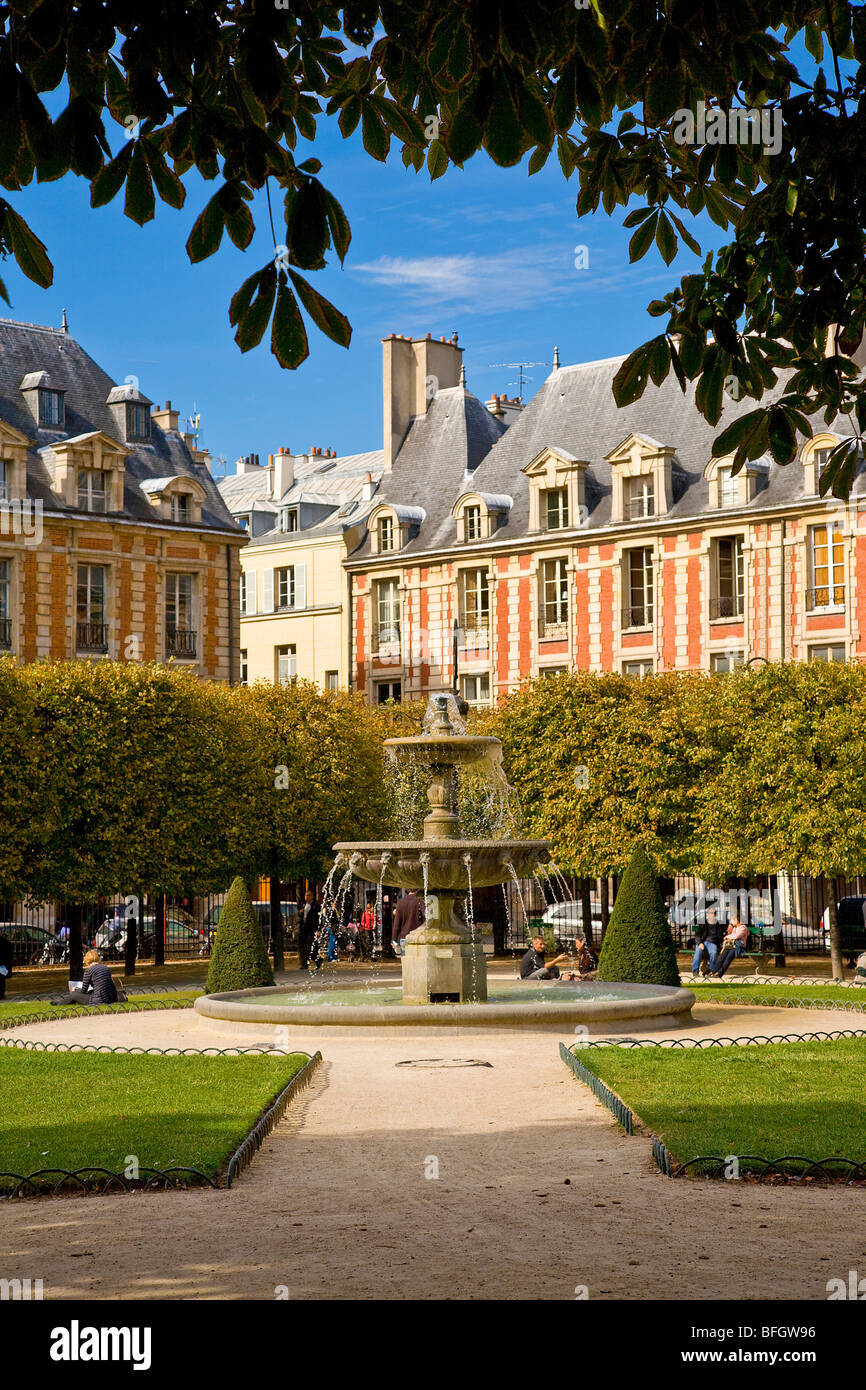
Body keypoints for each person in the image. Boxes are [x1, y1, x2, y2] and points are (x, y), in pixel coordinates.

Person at [50, 949, 118, 1006]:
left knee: (74, 995)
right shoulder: (106, 968)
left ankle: (60, 1003)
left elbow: (83, 991)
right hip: (110, 998)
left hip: (98, 1000)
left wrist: (76, 990)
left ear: (86, 960)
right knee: (90, 992)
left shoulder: (89, 971)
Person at [392, 889, 424, 956]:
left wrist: (393, 939)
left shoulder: (400, 902)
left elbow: (396, 924)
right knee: (418, 963)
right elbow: (427, 916)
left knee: (406, 963)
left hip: (404, 938)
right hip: (417, 937)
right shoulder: (420, 900)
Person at [690, 915, 724, 979]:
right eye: (711, 914)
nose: (712, 915)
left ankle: (711, 971)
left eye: (714, 914)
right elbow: (697, 935)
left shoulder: (718, 924)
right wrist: (700, 943)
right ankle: (695, 971)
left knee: (713, 952)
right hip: (702, 942)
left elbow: (721, 934)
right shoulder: (703, 924)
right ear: (708, 915)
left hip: (712, 943)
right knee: (698, 951)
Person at [298, 889, 320, 971]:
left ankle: (317, 960)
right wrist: (300, 912)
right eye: (306, 895)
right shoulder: (303, 904)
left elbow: (319, 918)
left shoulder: (315, 905)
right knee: (303, 946)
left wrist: (319, 930)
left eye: (308, 895)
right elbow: (300, 914)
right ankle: (304, 964)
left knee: (311, 946)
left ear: (312, 896)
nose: (306, 897)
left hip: (312, 928)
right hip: (304, 928)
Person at [0, 928, 12, 1000]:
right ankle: (1, 994)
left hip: (2, 965)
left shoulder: (5, 942)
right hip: (3, 964)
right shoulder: (6, 942)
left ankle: (1, 993)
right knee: (2, 979)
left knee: (1, 979)